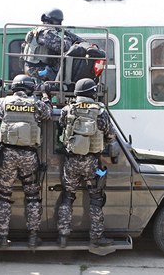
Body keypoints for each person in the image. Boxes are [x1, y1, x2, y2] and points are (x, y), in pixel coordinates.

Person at [0, 74, 52, 248]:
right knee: (32, 196)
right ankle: (33, 236)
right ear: (30, 88)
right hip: (28, 156)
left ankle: (1, 237)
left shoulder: (3, 102)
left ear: (13, 87)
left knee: (4, 196)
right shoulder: (35, 104)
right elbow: (48, 113)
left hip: (7, 154)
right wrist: (46, 95)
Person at [57, 78, 115, 248]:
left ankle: (62, 236)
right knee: (96, 198)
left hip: (71, 161)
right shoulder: (100, 111)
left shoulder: (68, 109)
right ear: (92, 92)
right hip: (92, 162)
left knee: (67, 197)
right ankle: (96, 238)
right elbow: (110, 134)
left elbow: (61, 127)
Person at [21, 8, 83, 82]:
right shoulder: (45, 33)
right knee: (64, 80)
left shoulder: (39, 30)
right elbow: (64, 47)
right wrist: (67, 37)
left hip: (34, 67)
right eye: (58, 22)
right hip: (38, 69)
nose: (60, 24)